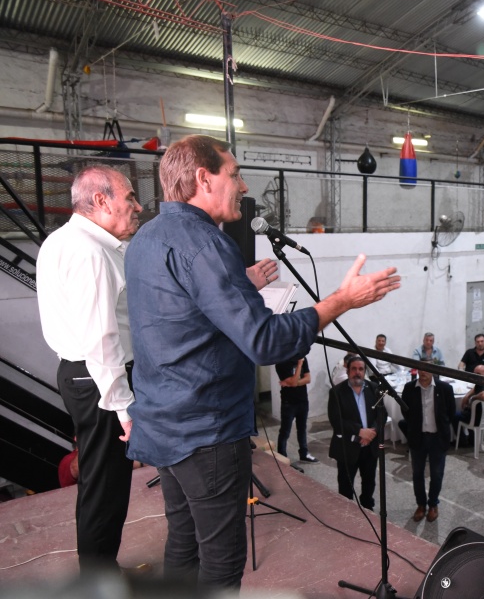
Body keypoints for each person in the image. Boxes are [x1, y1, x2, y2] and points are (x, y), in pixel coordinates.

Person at [125, 135, 400, 588]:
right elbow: (265, 342)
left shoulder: (146, 238)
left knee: (183, 543)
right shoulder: (205, 244)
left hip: (162, 423)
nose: (243, 184)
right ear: (203, 177)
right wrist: (341, 301)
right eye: (234, 174)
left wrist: (240, 284)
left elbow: (181, 315)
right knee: (222, 562)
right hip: (205, 432)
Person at [35, 166, 143, 573]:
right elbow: (102, 339)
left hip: (84, 376)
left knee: (103, 482)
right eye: (129, 197)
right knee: (105, 486)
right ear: (101, 200)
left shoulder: (65, 240)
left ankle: (99, 571)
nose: (136, 206)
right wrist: (124, 409)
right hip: (98, 379)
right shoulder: (90, 251)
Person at [400, 369, 455, 523]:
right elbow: (405, 411)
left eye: (427, 369)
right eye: (421, 369)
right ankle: (421, 505)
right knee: (417, 473)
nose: (424, 372)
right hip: (418, 437)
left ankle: (433, 504)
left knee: (437, 474)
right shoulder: (409, 388)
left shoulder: (444, 388)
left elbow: (450, 413)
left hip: (437, 438)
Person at [329, 357, 378, 508]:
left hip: (369, 447)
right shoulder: (337, 392)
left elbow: (382, 415)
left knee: (369, 482)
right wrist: (360, 431)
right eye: (354, 369)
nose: (357, 372)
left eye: (361, 369)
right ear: (348, 371)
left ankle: (368, 508)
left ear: (365, 371)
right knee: (345, 485)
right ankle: (347, 513)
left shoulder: (374, 388)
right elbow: (336, 421)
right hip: (347, 448)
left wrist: (371, 433)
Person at [276, 355, 316, 466]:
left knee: (302, 429)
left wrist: (294, 383)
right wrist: (299, 365)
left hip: (303, 400)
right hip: (289, 403)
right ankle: (282, 457)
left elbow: (308, 379)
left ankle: (304, 453)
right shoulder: (281, 362)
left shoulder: (303, 358)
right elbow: (293, 382)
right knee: (285, 431)